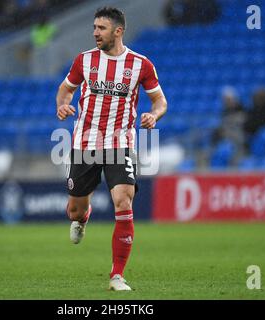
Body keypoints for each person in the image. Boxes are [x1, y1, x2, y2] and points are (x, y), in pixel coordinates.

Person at [55, 7, 167, 291]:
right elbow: (65, 89)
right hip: (85, 143)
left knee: (124, 202)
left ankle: (117, 275)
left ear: (118, 31)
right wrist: (62, 105)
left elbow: (160, 101)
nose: (95, 32)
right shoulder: (84, 61)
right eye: (94, 27)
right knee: (74, 210)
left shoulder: (141, 64)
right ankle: (84, 217)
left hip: (121, 143)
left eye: (101, 28)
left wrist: (154, 115)